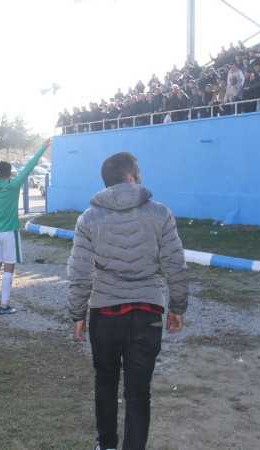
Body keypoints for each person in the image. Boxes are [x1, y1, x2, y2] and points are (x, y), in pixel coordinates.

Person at [67, 152, 189, 450]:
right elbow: (175, 265)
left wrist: (77, 313)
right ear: (131, 178)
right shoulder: (160, 213)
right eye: (139, 172)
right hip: (148, 314)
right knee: (138, 392)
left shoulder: (89, 218)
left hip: (105, 315)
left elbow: (80, 271)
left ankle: (106, 445)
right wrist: (177, 307)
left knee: (105, 383)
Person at [0, 137, 52, 314]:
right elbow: (29, 167)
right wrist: (43, 147)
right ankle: (4, 305)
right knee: (9, 267)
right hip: (9, 231)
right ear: (10, 172)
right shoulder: (13, 184)